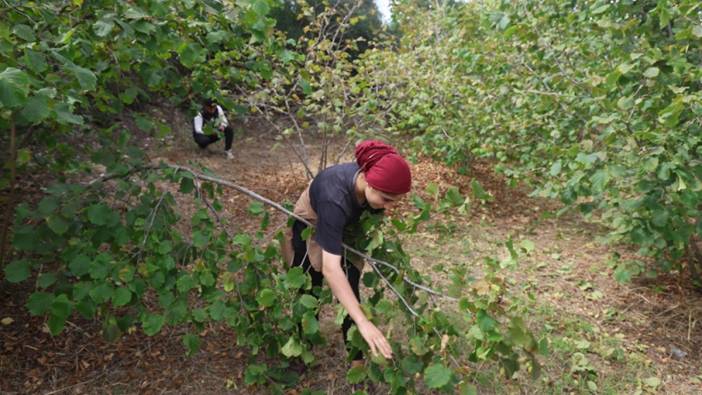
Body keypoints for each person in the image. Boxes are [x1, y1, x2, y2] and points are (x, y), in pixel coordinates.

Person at [282, 140, 412, 363]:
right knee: (308, 288)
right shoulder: (335, 200)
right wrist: (364, 322)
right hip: (312, 222)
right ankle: (300, 352)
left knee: (350, 291)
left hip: (347, 226)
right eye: (386, 200)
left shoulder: (370, 187)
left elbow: (341, 276)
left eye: (394, 201)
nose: (389, 207)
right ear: (367, 182)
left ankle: (357, 365)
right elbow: (330, 269)